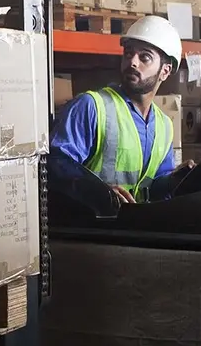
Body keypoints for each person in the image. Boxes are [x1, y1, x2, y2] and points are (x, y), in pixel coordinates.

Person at [51, 15, 190, 204]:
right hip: (91, 227)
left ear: (164, 71)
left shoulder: (163, 125)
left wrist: (179, 180)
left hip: (134, 227)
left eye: (145, 57)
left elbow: (154, 186)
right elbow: (56, 165)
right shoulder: (92, 106)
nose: (133, 62)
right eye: (128, 53)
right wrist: (97, 191)